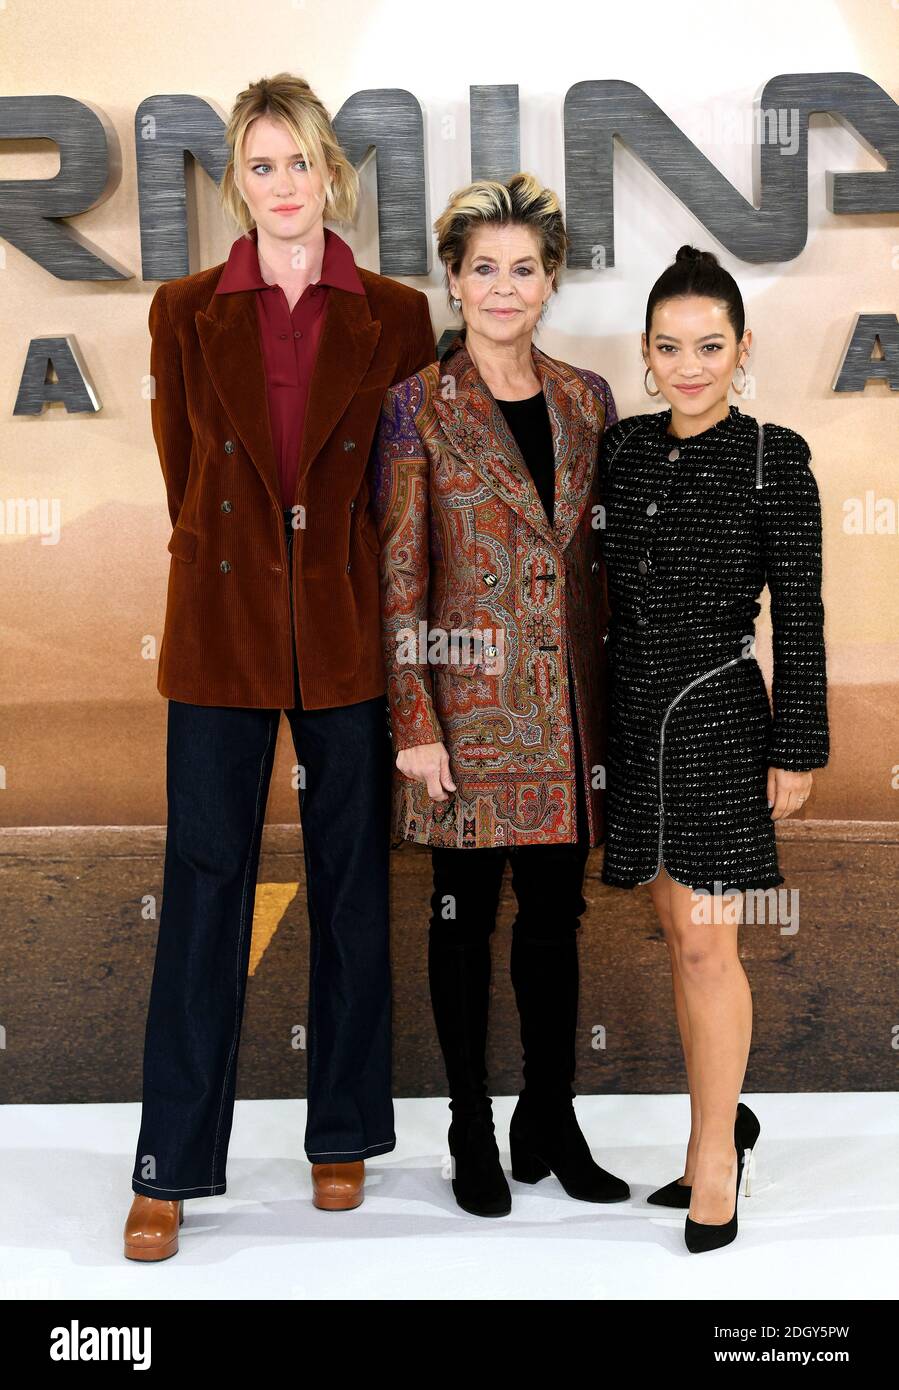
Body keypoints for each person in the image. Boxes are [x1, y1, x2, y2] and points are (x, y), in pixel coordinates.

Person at [124, 72, 435, 1261]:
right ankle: (169, 1165)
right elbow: (184, 477)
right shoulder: (183, 309)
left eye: (299, 161)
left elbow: (399, 491)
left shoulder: (395, 315)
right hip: (220, 628)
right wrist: (245, 563)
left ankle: (341, 1130)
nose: (282, 183)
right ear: (237, 183)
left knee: (352, 885)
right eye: (261, 166)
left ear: (329, 172)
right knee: (205, 885)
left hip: (348, 630)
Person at [372, 173, 629, 1217]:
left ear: (550, 280)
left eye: (524, 269)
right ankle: (470, 1124)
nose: (503, 287)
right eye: (484, 269)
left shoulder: (586, 398)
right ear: (453, 280)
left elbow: (602, 564)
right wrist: (413, 720)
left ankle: (548, 1118)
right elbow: (399, 572)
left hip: (566, 716)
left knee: (555, 918)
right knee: (462, 919)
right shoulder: (415, 406)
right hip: (464, 716)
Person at [598, 245, 829, 1252]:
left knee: (704, 944)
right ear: (646, 355)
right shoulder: (621, 449)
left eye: (708, 345)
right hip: (630, 719)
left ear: (741, 349)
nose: (687, 365)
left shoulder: (774, 456)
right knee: (674, 931)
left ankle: (714, 1161)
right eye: (668, 347)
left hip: (720, 722)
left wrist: (797, 745)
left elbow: (800, 616)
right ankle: (715, 1127)